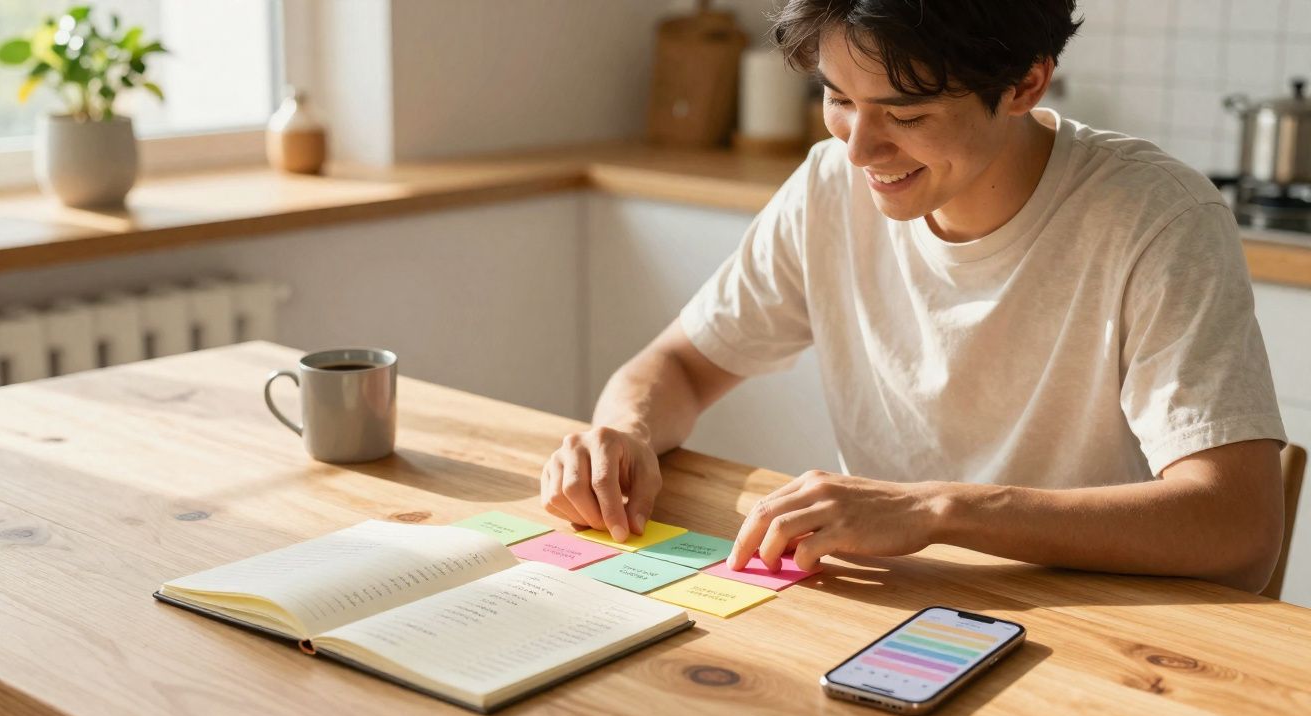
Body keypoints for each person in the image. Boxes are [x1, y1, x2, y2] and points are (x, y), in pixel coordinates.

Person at [538, 0, 1287, 593]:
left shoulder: (1156, 220)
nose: (860, 148)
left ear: (1026, 83)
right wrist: (624, 433)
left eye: (906, 114)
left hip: (1095, 623)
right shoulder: (831, 184)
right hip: (892, 603)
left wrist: (936, 509)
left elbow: (1237, 524)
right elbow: (680, 365)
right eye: (836, 98)